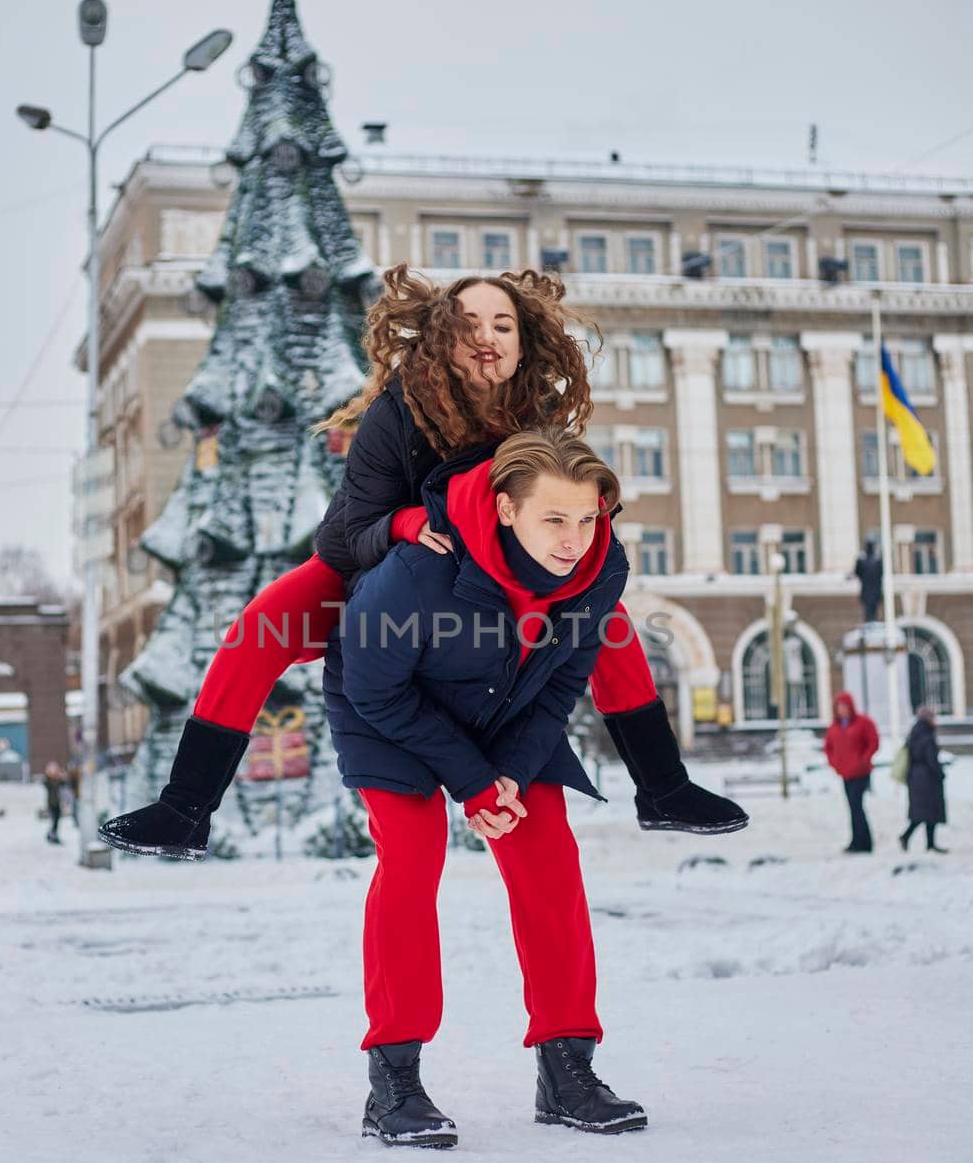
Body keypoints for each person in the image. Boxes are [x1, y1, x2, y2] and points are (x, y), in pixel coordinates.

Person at [100, 265, 746, 860]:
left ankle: (662, 788)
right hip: (383, 569)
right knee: (258, 628)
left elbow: (568, 502)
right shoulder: (397, 412)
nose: (487, 338)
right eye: (469, 326)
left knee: (607, 627)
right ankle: (186, 807)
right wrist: (408, 522)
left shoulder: (540, 417)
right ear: (443, 339)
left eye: (503, 325)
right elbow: (344, 533)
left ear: (524, 343)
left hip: (502, 578)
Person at [325, 427, 650, 1148]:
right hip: (388, 714)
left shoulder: (600, 569)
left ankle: (567, 1070)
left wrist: (506, 774)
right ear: (507, 510)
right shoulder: (418, 572)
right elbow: (372, 689)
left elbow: (564, 678)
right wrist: (471, 783)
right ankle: (394, 1081)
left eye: (587, 518)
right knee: (411, 861)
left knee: (549, 862)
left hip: (506, 715)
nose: (574, 539)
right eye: (554, 519)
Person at [823, 692, 879, 853]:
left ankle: (864, 843)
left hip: (860, 772)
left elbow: (873, 742)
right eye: (839, 707)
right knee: (853, 807)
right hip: (845, 773)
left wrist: (864, 759)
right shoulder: (835, 727)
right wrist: (834, 763)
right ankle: (857, 841)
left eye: (844, 706)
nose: (842, 710)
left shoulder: (863, 723)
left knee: (857, 806)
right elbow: (828, 747)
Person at [899, 707, 947, 853]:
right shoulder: (927, 735)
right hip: (927, 779)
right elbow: (931, 759)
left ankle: (927, 843)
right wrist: (940, 774)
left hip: (915, 777)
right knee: (929, 811)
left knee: (923, 812)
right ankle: (911, 838)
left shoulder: (914, 733)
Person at [854, 540, 883, 624]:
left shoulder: (875, 561)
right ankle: (870, 622)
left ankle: (871, 622)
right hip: (870, 591)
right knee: (869, 612)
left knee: (871, 612)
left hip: (871, 592)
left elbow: (857, 573)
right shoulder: (875, 561)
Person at [42, 761, 65, 844]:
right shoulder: (48, 782)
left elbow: (64, 783)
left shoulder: (58, 781)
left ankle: (52, 834)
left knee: (56, 821)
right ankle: (52, 835)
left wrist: (60, 775)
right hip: (51, 803)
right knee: (54, 820)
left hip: (57, 803)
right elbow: (46, 783)